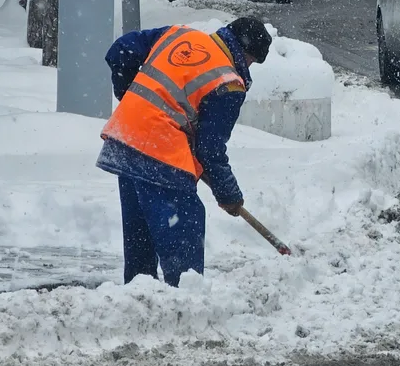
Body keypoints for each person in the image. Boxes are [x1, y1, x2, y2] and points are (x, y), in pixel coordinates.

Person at [95, 17, 273, 287]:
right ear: (246, 54)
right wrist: (229, 194)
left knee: (140, 231)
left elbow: (122, 50)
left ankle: (139, 296)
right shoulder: (229, 83)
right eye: (251, 62)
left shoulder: (178, 34)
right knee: (184, 227)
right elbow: (210, 149)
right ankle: (185, 301)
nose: (248, 67)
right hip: (160, 152)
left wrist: (131, 98)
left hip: (125, 138)